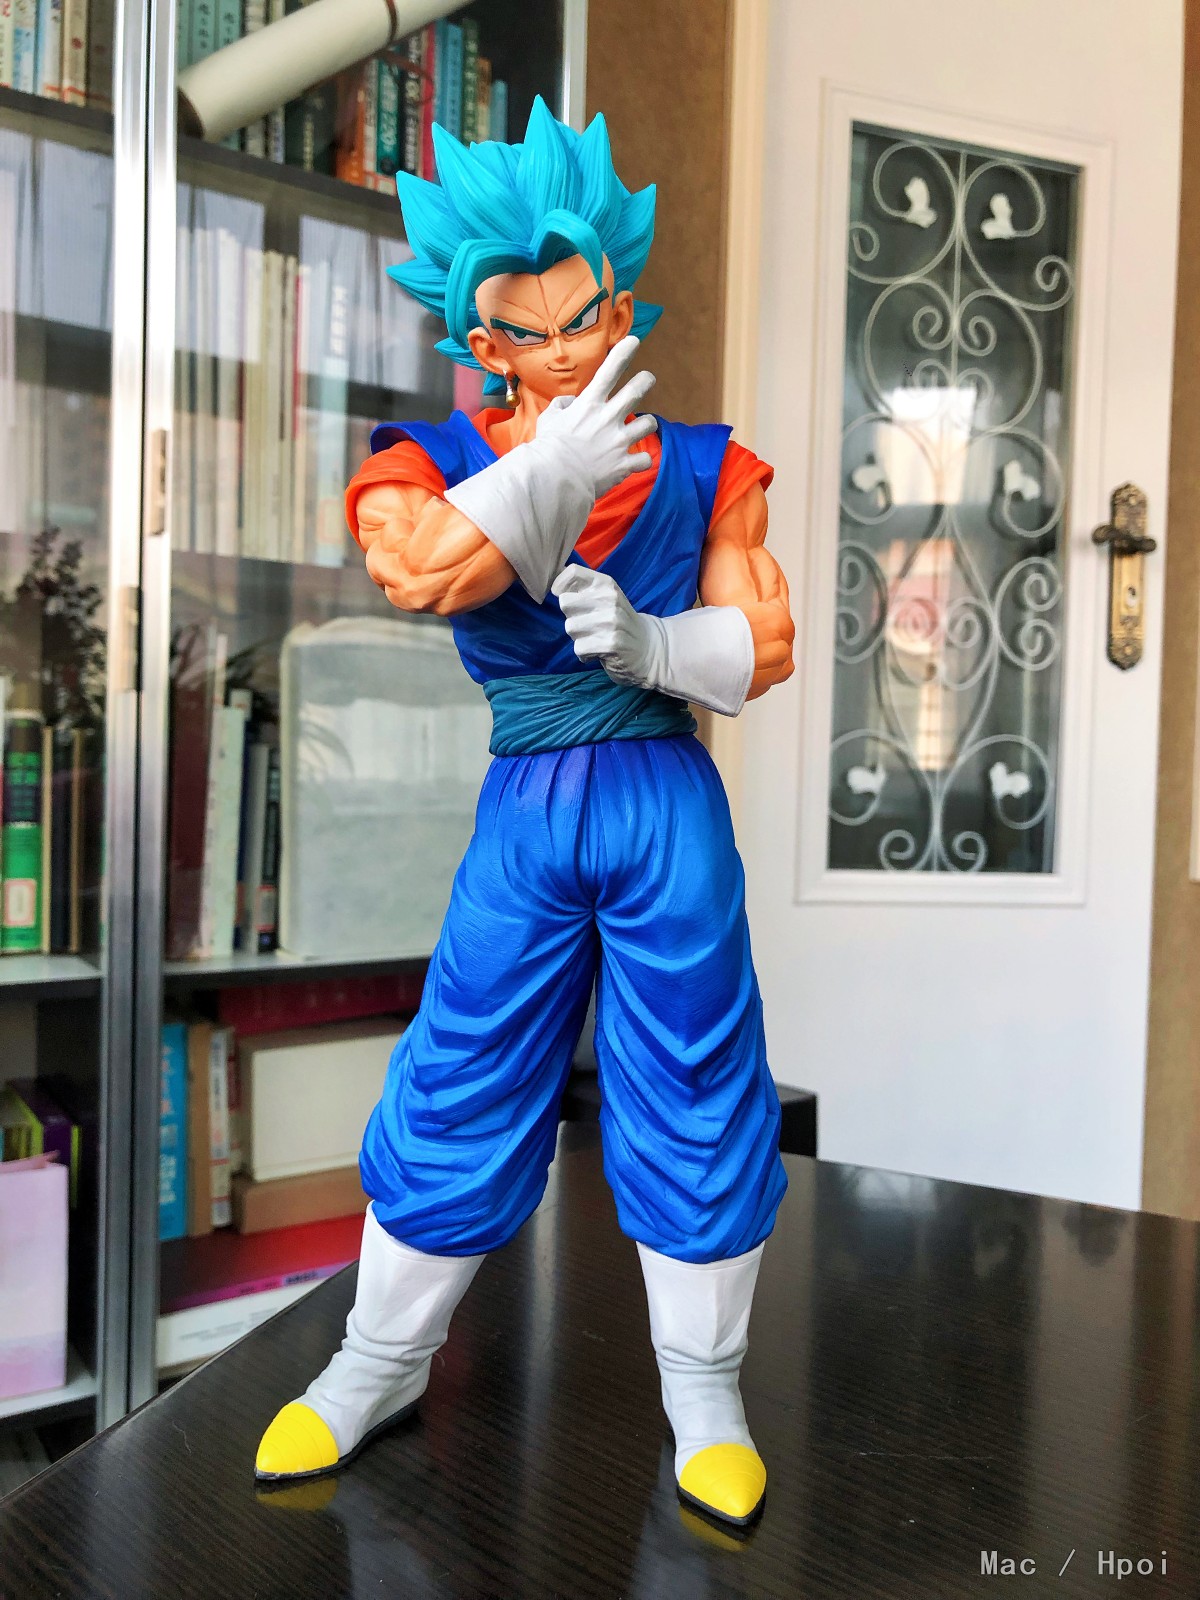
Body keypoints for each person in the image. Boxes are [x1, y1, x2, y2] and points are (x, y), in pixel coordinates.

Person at [255, 97, 796, 1529]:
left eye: (587, 314)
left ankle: (706, 1389)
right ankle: (375, 1362)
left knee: (697, 1070)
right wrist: (546, 471)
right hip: (527, 799)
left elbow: (765, 641)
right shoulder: (422, 459)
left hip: (663, 788)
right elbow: (424, 572)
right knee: (466, 1064)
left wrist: (660, 646)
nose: (565, 347)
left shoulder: (709, 462)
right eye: (528, 326)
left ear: (619, 295)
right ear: (477, 333)